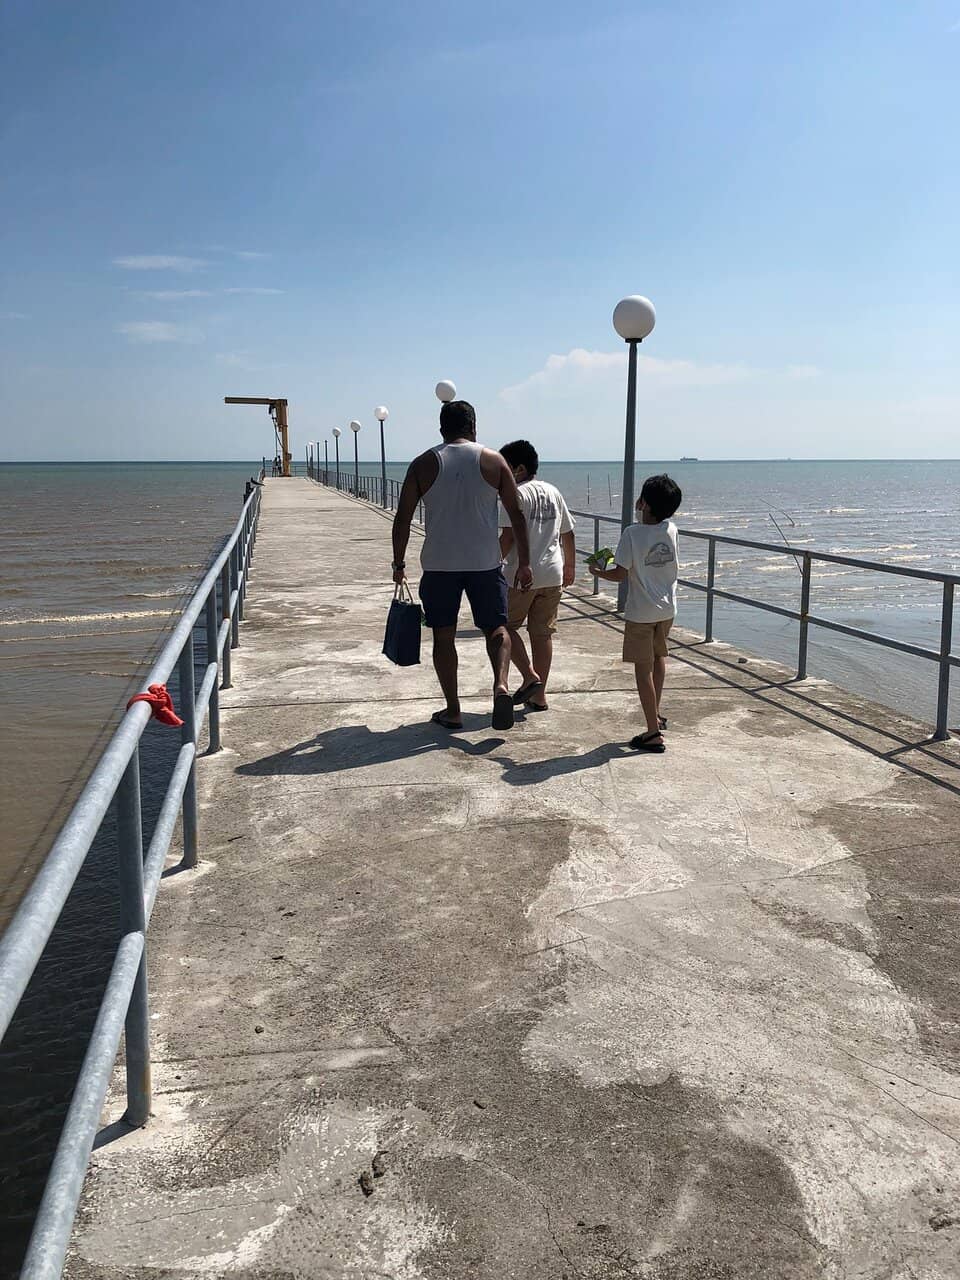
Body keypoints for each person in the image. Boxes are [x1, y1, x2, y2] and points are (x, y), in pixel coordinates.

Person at [391, 400, 533, 731]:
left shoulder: (423, 463)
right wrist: (524, 563)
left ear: (441, 428)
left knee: (443, 636)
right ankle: (500, 685)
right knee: (497, 628)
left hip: (440, 565)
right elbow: (516, 514)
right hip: (485, 563)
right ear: (474, 426)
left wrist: (398, 563)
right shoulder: (494, 460)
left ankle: (453, 709)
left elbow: (402, 520)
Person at [589, 474, 682, 753]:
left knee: (643, 670)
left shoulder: (632, 533)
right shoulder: (672, 529)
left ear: (644, 503)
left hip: (641, 613)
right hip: (667, 609)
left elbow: (619, 574)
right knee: (659, 658)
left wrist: (597, 572)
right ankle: (655, 714)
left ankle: (653, 733)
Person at [497, 440, 576, 712]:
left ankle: (530, 676)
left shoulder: (516, 494)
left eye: (505, 467)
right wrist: (570, 567)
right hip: (553, 574)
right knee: (542, 636)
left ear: (518, 469)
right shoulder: (553, 491)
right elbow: (568, 532)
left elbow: (508, 537)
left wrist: (490, 560)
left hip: (522, 574)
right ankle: (539, 695)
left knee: (504, 627)